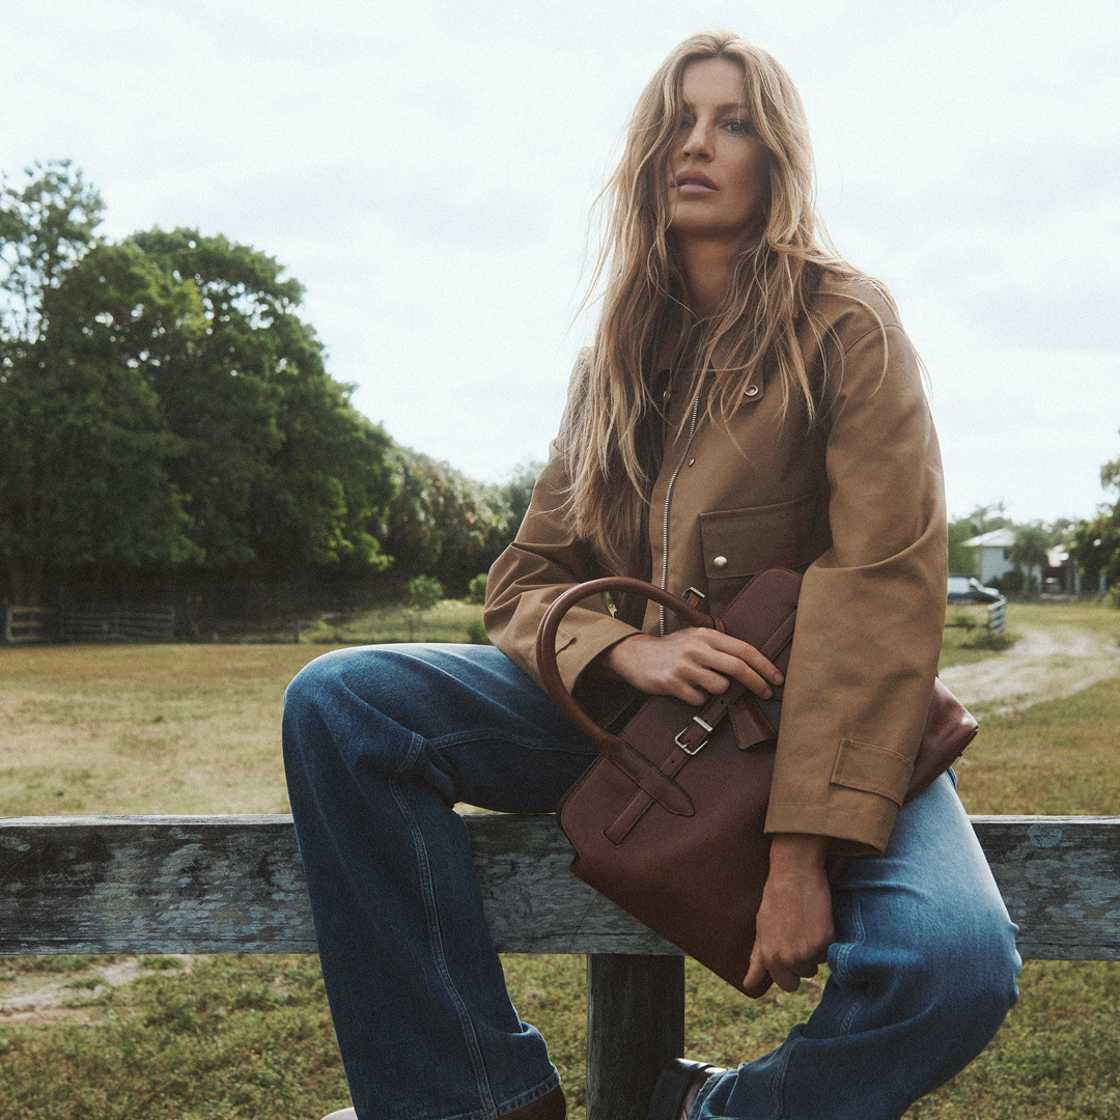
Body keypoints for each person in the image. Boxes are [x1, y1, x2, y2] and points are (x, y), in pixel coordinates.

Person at [281, 30, 1023, 1120]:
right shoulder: (615, 361)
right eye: (676, 122)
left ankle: (712, 1113)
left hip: (811, 724)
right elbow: (523, 584)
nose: (696, 144)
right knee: (343, 704)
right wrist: (629, 649)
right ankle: (477, 1100)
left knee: (956, 965)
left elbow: (881, 595)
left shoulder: (846, 324)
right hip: (636, 719)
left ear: (775, 155)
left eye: (730, 122)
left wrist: (797, 857)